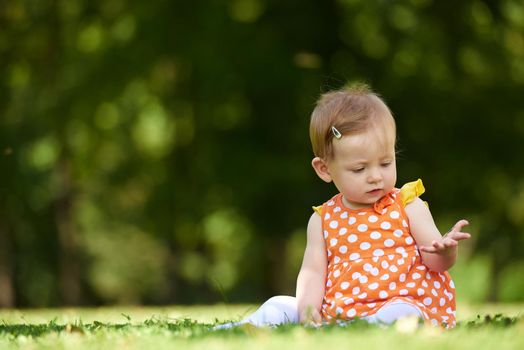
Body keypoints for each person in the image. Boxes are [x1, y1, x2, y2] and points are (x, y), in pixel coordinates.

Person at [216, 83, 471, 329]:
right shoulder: (323, 219)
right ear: (324, 169)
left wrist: (445, 251)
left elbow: (436, 262)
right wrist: (308, 311)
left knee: (402, 313)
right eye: (360, 168)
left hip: (402, 301)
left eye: (385, 163)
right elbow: (313, 273)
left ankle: (366, 327)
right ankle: (241, 328)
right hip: (337, 311)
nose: (375, 176)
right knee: (278, 305)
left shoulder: (407, 203)